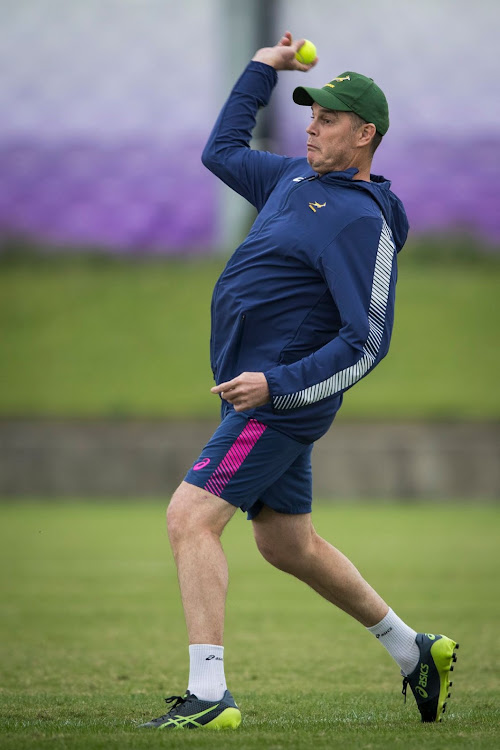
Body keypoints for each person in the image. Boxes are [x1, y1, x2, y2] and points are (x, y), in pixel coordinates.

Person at [139, 32, 458, 730]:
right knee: (285, 543)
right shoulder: (293, 177)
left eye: (329, 118)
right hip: (263, 392)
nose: (312, 124)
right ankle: (415, 650)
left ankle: (209, 694)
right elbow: (219, 151)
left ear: (365, 134)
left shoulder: (361, 220)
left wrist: (277, 386)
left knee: (190, 520)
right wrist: (260, 69)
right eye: (310, 113)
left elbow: (367, 339)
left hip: (279, 401)